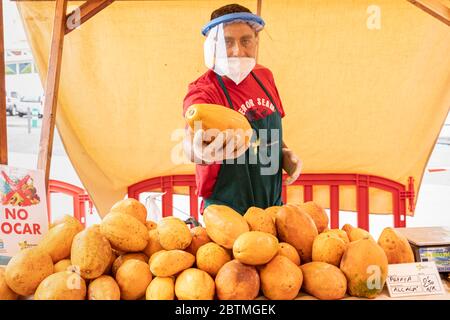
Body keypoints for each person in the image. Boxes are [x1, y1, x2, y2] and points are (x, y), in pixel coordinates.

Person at [183, 4, 302, 215]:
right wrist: (199, 152)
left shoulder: (265, 77)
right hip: (226, 214)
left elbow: (269, 130)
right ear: (213, 46)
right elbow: (191, 141)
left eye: (245, 40)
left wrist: (284, 154)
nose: (238, 51)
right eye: (228, 42)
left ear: (256, 42)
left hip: (272, 208)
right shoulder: (203, 90)